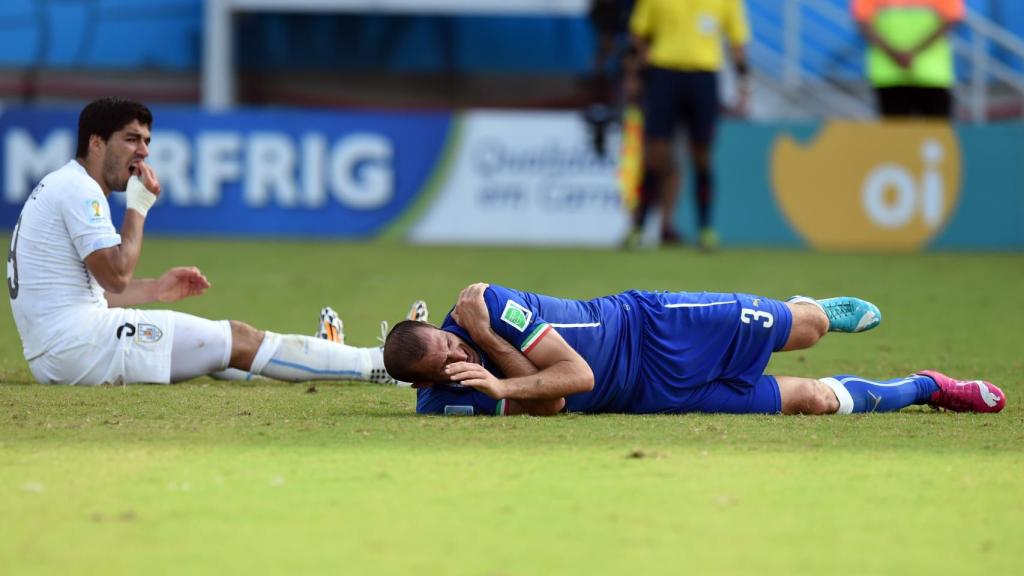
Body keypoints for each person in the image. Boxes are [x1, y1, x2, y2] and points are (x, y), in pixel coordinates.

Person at [5, 97, 401, 386]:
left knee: (210, 353)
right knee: (238, 338)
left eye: (146, 140)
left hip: (60, 352)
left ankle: (327, 357)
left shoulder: (62, 184)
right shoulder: (80, 191)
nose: (143, 151)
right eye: (131, 139)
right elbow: (117, 275)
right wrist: (138, 206)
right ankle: (381, 365)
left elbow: (87, 292)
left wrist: (156, 288)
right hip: (80, 348)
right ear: (96, 143)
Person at [383, 283, 1005, 416]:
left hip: (653, 326)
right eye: (446, 364)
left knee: (807, 332)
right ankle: (929, 387)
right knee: (813, 400)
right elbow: (552, 404)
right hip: (651, 394)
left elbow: (575, 374)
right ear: (425, 383)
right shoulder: (443, 403)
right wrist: (498, 382)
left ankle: (808, 307)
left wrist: (491, 345)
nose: (459, 355)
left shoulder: (486, 306)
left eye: (450, 342)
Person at [624, 0, 751, 250]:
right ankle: (638, 228)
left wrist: (744, 83)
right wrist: (637, 70)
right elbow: (638, 34)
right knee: (655, 154)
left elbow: (737, 43)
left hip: (703, 77)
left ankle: (705, 229)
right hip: (664, 74)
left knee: (702, 155)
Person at [853, 0, 963, 119]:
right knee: (931, 128)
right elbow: (950, 20)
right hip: (924, 72)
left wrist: (895, 54)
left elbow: (863, 22)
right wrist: (913, 53)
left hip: (897, 72)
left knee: (901, 128)